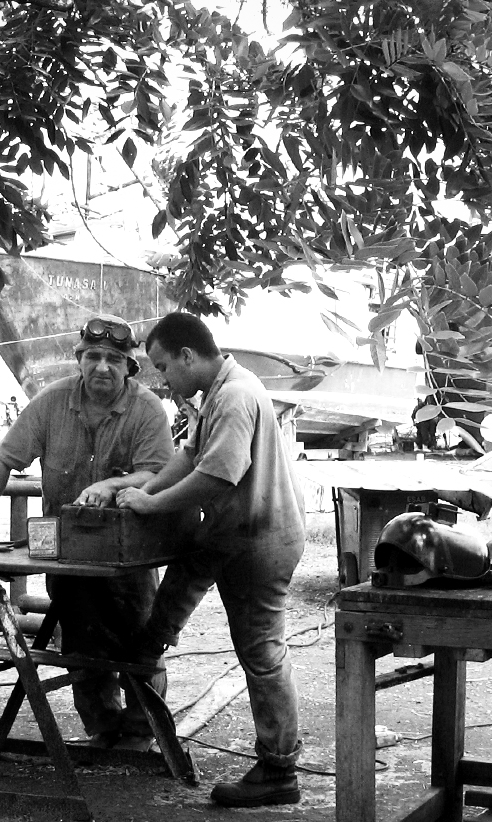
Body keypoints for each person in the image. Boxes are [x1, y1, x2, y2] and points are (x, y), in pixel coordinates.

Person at [116, 312, 305, 808]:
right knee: (167, 607)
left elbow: (217, 475)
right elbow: (189, 457)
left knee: (261, 651)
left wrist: (153, 505)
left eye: (163, 367)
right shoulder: (217, 394)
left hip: (260, 539)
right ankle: (138, 700)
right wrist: (144, 491)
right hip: (227, 533)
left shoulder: (237, 395)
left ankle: (279, 770)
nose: (163, 379)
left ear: (187, 356)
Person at [0, 314, 173, 752]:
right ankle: (103, 728)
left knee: (140, 640)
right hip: (65, 551)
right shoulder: (51, 402)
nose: (103, 367)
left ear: (130, 366)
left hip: (128, 554)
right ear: (79, 359)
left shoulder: (148, 409)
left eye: (114, 359)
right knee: (80, 642)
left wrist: (112, 485)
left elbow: (159, 473)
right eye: (93, 356)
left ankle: (141, 732)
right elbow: (3, 460)